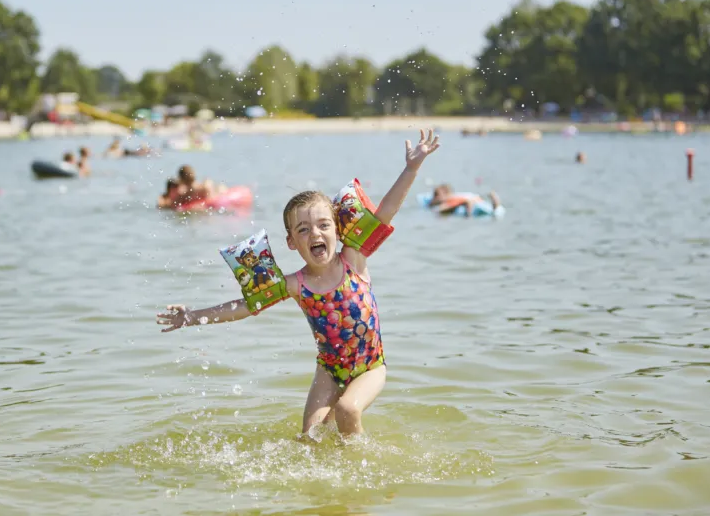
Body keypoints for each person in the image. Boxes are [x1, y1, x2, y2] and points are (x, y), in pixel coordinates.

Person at [157, 129, 441, 437]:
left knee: (348, 410)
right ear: (292, 242)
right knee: (310, 436)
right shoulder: (296, 284)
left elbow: (386, 210)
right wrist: (191, 317)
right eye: (303, 230)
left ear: (337, 230)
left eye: (323, 226)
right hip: (329, 370)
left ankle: (360, 468)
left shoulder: (353, 258)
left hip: (371, 365)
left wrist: (412, 168)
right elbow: (243, 307)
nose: (315, 234)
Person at [431, 184, 502, 218]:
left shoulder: (451, 199)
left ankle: (495, 205)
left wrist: (468, 215)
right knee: (493, 211)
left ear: (446, 194)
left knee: (492, 212)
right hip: (476, 200)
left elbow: (467, 201)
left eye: (436, 194)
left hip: (472, 202)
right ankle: (495, 204)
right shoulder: (457, 196)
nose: (434, 198)